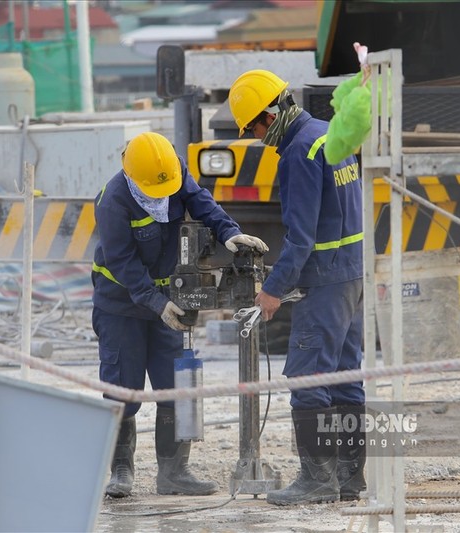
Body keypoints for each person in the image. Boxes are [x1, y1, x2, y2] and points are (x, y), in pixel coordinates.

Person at [92, 131, 268, 498]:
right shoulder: (114, 201)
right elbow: (121, 261)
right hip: (122, 302)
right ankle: (121, 470)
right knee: (122, 387)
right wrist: (156, 303)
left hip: (170, 295)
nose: (162, 195)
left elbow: (203, 203)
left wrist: (229, 234)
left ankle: (174, 472)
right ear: (133, 177)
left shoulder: (171, 172)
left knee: (175, 385)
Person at [228, 70, 366, 506]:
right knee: (345, 378)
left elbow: (301, 236)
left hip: (324, 281)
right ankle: (349, 480)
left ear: (270, 115)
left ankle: (317, 480)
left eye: (254, 127)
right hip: (352, 276)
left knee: (307, 379)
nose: (255, 137)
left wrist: (272, 289)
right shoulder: (328, 134)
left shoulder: (298, 153)